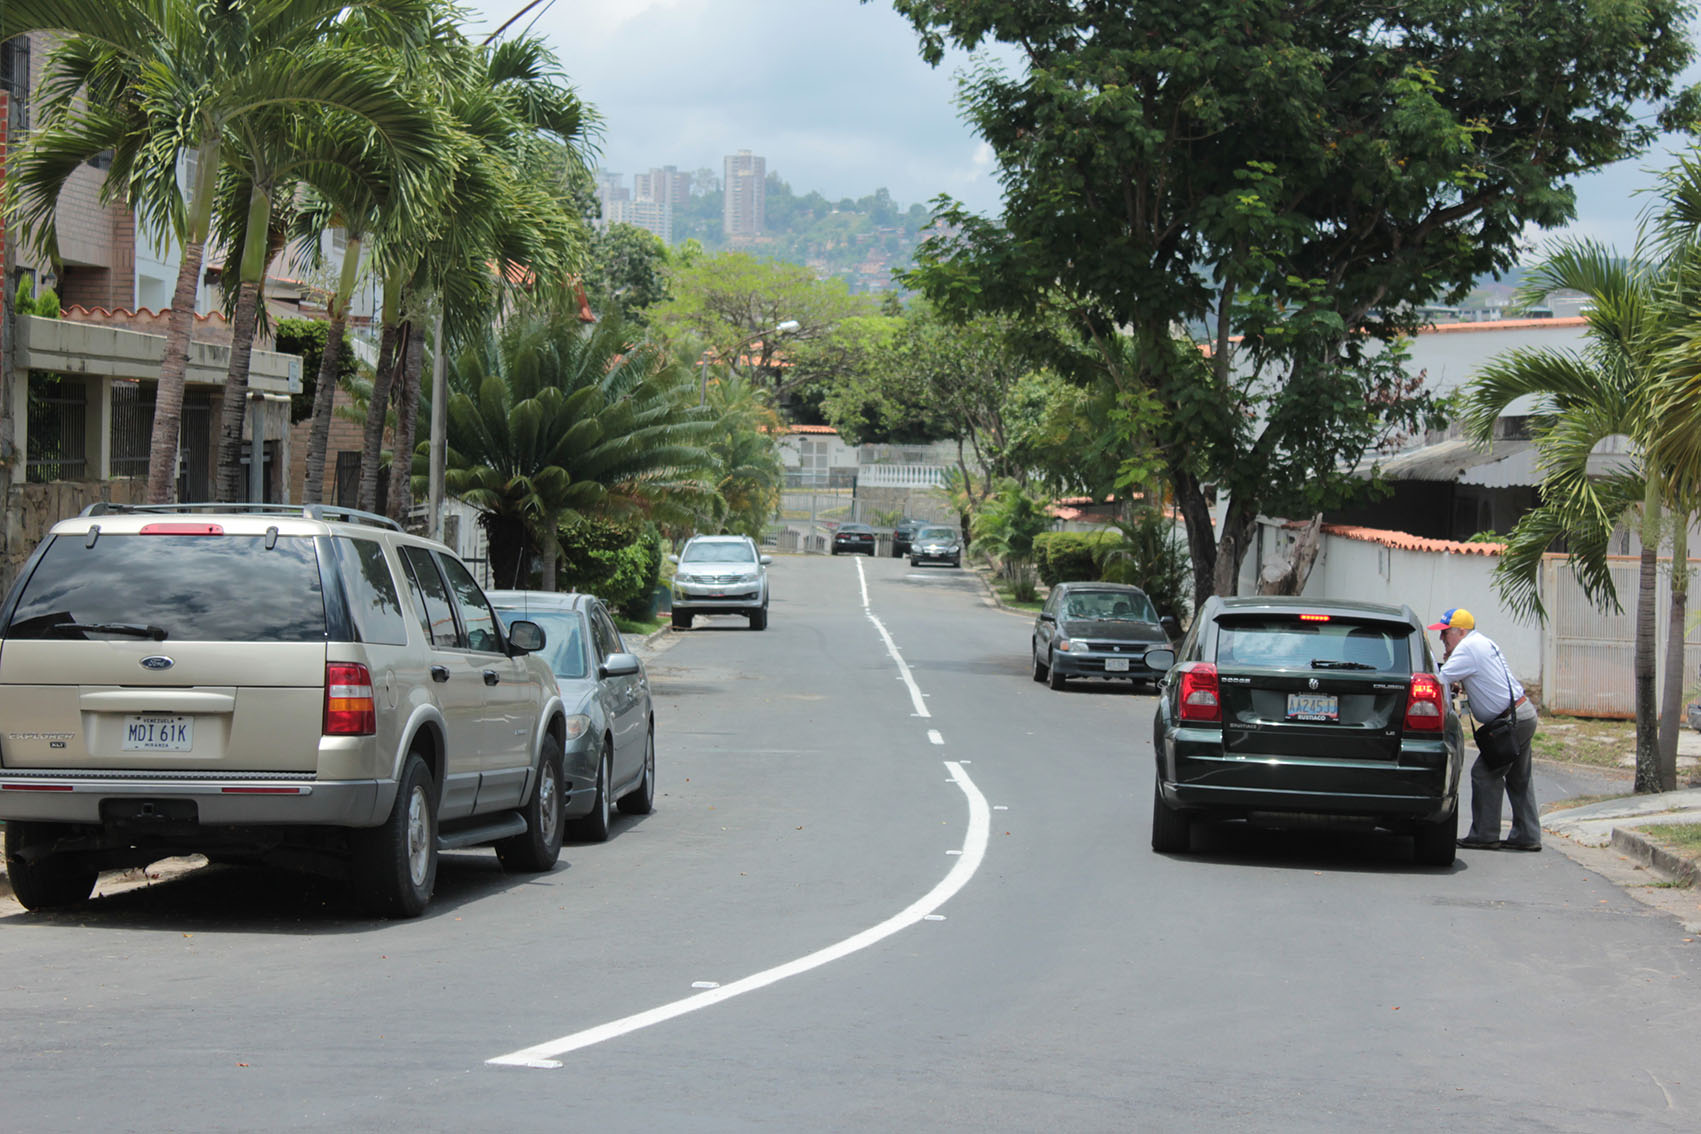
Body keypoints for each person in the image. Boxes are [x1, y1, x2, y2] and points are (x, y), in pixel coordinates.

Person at [1429, 607, 1541, 851]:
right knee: (1518, 778)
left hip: (1512, 721)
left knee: (1484, 773)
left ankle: (1485, 834)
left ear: (1460, 631)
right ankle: (1527, 835)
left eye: (1445, 634)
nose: (1442, 640)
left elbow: (1438, 679)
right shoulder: (1481, 643)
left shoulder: (1467, 648)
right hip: (1521, 715)